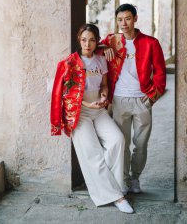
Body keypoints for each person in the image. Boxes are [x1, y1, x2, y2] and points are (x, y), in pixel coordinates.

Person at [50, 23, 134, 213]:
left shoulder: (100, 60)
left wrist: (104, 95)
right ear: (79, 41)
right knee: (93, 153)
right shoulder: (70, 63)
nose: (88, 43)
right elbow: (66, 94)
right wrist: (87, 104)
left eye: (92, 40)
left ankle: (107, 186)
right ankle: (117, 197)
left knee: (117, 141)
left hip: (98, 109)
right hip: (79, 113)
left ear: (97, 42)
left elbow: (104, 84)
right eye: (84, 39)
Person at [101, 4, 166, 194]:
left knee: (141, 144)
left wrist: (153, 96)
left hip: (142, 100)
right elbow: (92, 47)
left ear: (135, 19)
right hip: (119, 100)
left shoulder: (150, 43)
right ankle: (124, 179)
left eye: (128, 18)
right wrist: (103, 48)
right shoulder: (112, 41)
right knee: (122, 143)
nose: (124, 23)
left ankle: (135, 178)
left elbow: (160, 72)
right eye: (120, 20)